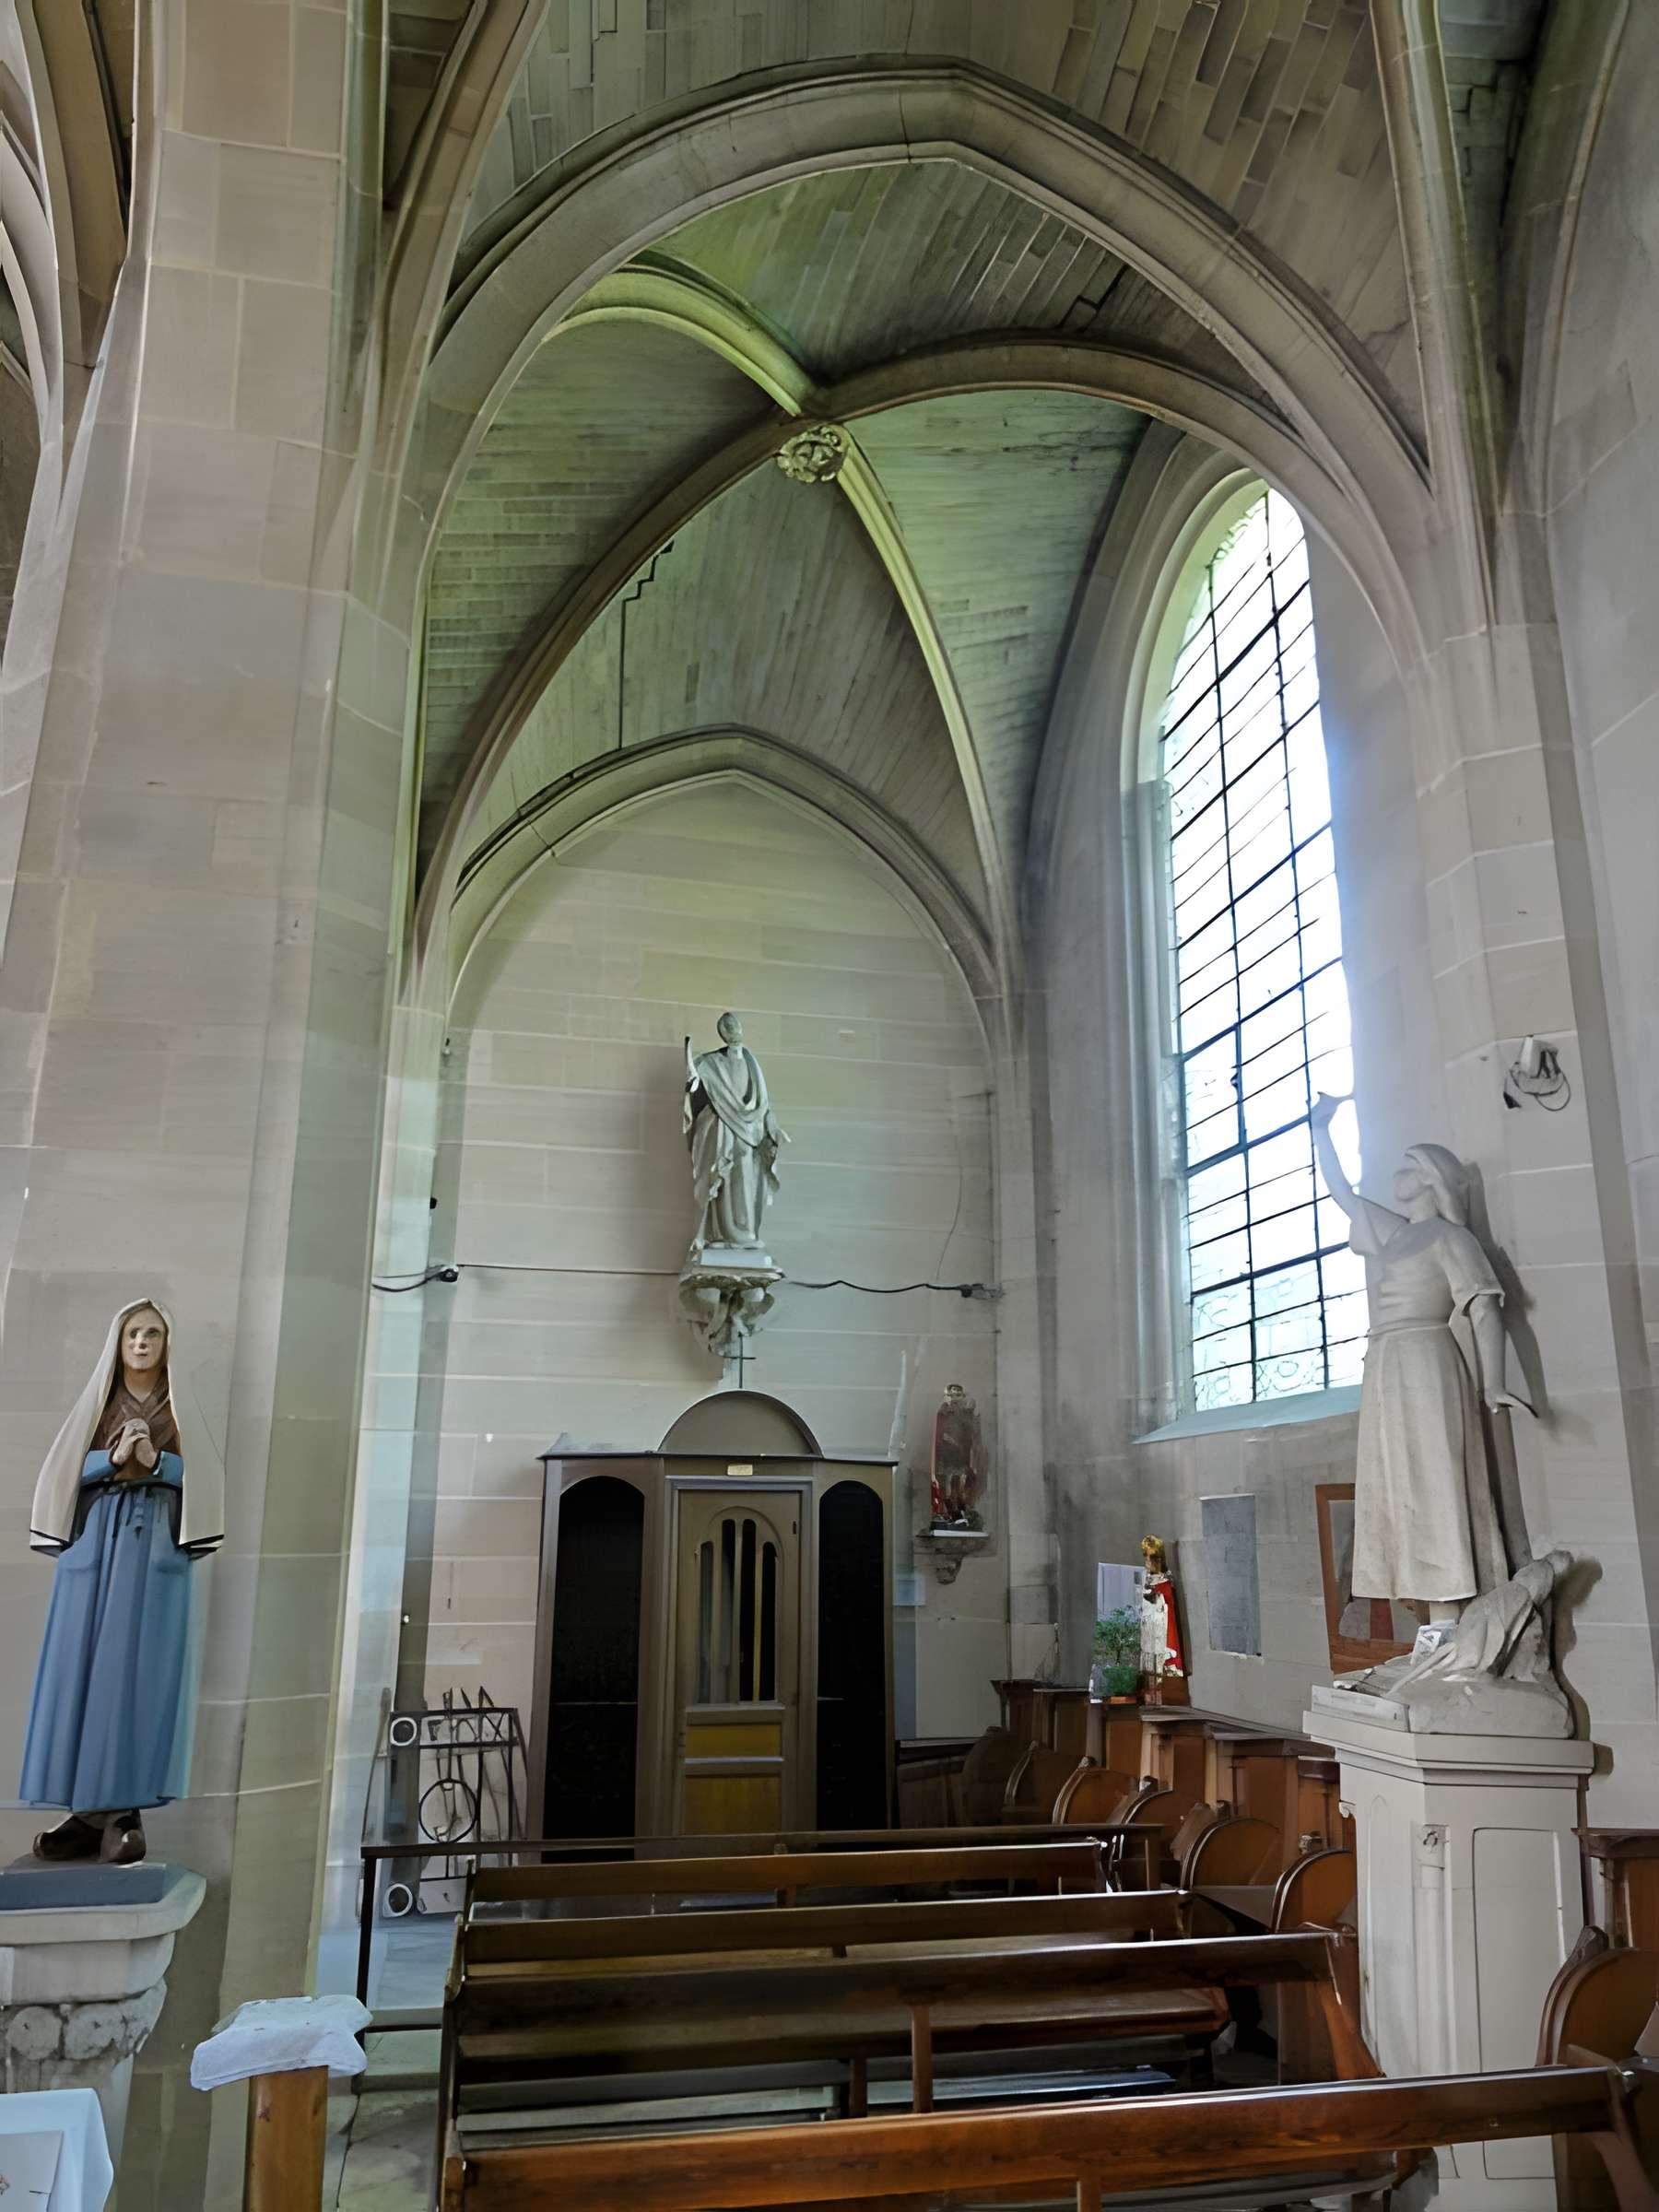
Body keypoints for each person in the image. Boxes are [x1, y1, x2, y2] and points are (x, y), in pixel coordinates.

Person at [20, 1300, 224, 1864]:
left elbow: (201, 1472)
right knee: (80, 1670)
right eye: (133, 1332)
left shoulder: (179, 1406)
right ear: (118, 1340)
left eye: (152, 1333)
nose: (141, 1342)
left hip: (154, 1543)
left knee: (140, 1673)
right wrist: (109, 1461)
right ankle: (86, 1811)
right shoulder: (99, 1403)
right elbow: (67, 1469)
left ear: (167, 1343)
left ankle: (125, 1808)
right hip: (95, 1541)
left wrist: (158, 1462)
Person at [1310, 1096, 1527, 1618]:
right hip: (1385, 1359)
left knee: (1434, 1477)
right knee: (1396, 1478)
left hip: (1428, 1357)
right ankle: (1432, 1615)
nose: (1398, 1173)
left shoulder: (1450, 1237)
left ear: (1433, 1178)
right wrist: (1321, 1130)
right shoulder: (1396, 1233)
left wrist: (1493, 1382)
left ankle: (1451, 1611)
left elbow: (1482, 1306)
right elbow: (1341, 1191)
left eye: (1410, 1165)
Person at [683, 1012, 787, 1256]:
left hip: (749, 1133)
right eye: (727, 1027)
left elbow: (764, 1106)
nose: (732, 1030)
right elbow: (695, 1094)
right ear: (722, 1032)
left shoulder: (752, 1065)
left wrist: (771, 1130)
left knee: (746, 1180)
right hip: (719, 1132)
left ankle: (744, 1232)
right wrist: (692, 1082)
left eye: (734, 1025)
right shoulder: (708, 1064)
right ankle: (718, 1233)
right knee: (721, 1179)